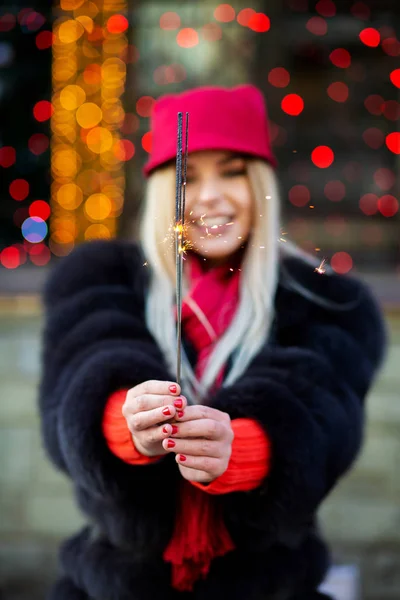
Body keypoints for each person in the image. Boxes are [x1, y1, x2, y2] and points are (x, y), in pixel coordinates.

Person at [39, 85, 386, 600]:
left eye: (231, 171)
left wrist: (244, 448)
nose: (210, 196)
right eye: (188, 175)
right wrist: (128, 425)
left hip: (273, 585)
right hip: (112, 583)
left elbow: (327, 417)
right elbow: (74, 391)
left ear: (260, 183)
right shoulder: (100, 281)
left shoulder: (325, 302)